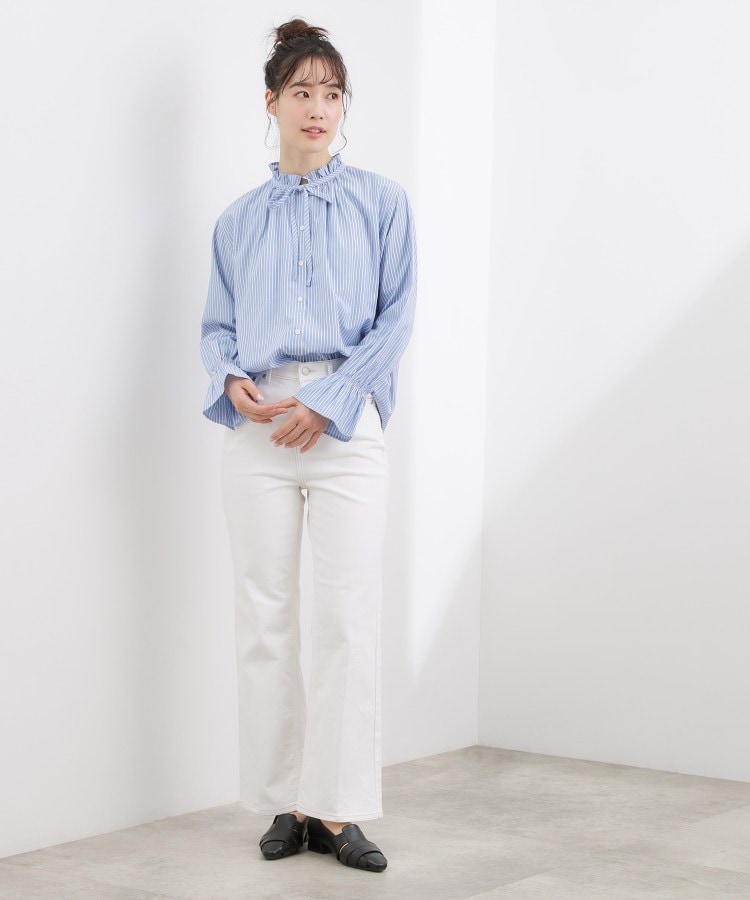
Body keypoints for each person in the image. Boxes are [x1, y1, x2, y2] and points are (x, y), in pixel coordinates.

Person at [199, 17, 417, 874]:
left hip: (346, 423)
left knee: (346, 617)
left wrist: (326, 404)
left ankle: (339, 807)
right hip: (259, 431)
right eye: (302, 92)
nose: (318, 107)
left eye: (332, 93)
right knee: (264, 616)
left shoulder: (383, 203)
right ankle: (288, 802)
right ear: (272, 103)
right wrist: (232, 381)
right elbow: (217, 327)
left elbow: (395, 322)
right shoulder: (237, 221)